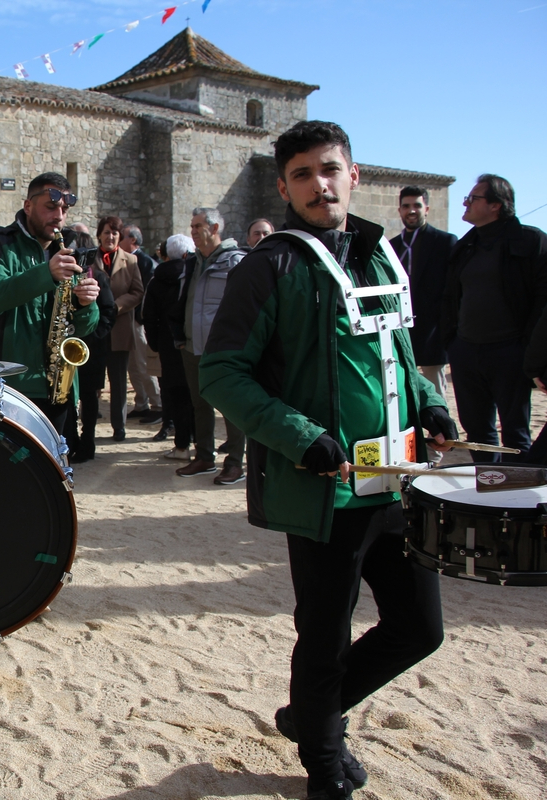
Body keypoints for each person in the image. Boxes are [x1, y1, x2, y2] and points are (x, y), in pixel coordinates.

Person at [201, 120, 455, 800]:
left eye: (330, 169)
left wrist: (431, 404)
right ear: (284, 188)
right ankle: (321, 756)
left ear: (354, 174)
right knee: (324, 634)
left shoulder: (382, 256)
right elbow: (222, 374)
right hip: (325, 488)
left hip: (397, 481)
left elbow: (398, 357)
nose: (320, 185)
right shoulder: (270, 265)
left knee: (419, 628)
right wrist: (300, 435)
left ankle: (309, 715)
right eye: (303, 175)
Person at [0, 173, 100, 433]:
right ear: (28, 206)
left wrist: (86, 304)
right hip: (11, 387)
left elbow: (84, 328)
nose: (59, 216)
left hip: (59, 387)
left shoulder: (68, 248)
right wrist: (45, 274)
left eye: (64, 209)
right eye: (51, 207)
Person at [441, 174, 547, 460]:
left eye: (473, 198)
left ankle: (517, 487)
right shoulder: (465, 246)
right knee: (477, 433)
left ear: (495, 205)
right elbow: (451, 298)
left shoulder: (531, 241)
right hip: (466, 351)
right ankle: (487, 485)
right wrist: (452, 343)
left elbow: (543, 300)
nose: (465, 203)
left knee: (515, 434)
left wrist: (527, 349)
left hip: (510, 352)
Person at [169, 207, 247, 484]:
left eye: (198, 226)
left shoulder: (236, 261)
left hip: (223, 349)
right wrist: (180, 337)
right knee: (199, 404)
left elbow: (245, 307)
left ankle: (235, 463)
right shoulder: (191, 262)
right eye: (191, 226)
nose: (192, 231)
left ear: (214, 229)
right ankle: (204, 457)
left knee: (230, 406)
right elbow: (183, 301)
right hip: (192, 346)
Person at [390, 187, 457, 440]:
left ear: (426, 209)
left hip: (432, 331)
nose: (411, 211)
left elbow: (452, 290)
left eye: (417, 205)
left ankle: (441, 441)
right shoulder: (392, 246)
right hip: (401, 330)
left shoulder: (444, 242)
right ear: (399, 210)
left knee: (435, 390)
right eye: (406, 206)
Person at [143, 234, 195, 458]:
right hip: (193, 342)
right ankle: (202, 446)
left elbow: (148, 315)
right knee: (195, 395)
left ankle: (181, 445)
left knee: (175, 393)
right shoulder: (193, 275)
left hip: (168, 344)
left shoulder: (157, 280)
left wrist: (156, 343)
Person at [68, 231, 115, 463]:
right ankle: (71, 441)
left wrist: (91, 336)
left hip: (92, 349)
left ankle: (88, 443)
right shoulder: (66, 277)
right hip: (70, 349)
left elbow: (109, 311)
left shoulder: (98, 277)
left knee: (89, 398)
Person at [96, 216, 144, 441]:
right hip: (94, 329)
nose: (111, 236)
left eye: (115, 233)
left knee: (118, 382)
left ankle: (119, 426)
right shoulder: (89, 259)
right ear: (99, 235)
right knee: (92, 381)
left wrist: (115, 306)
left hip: (119, 328)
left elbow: (137, 292)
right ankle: (88, 422)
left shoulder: (130, 261)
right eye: (107, 232)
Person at [122, 224, 164, 424]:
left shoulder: (146, 262)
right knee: (133, 365)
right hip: (127, 319)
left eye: (122, 237)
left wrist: (140, 317)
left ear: (132, 240)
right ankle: (141, 403)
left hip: (138, 321)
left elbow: (146, 293)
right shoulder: (126, 260)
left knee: (144, 364)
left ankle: (158, 405)